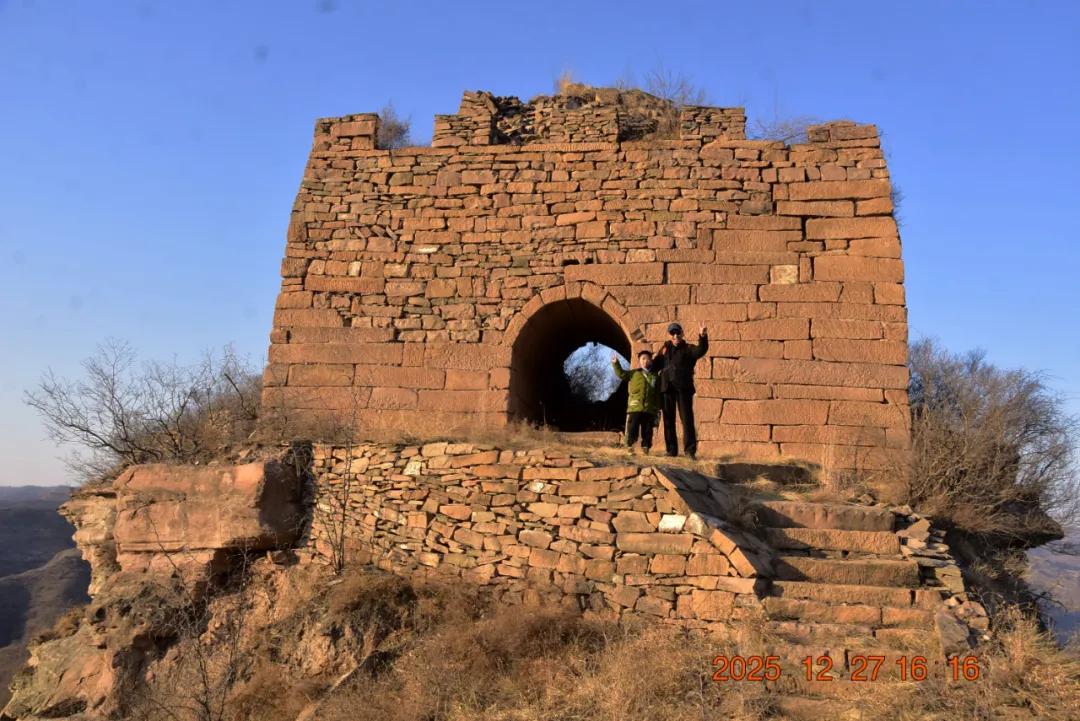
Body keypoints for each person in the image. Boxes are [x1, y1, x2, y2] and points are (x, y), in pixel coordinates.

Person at [655, 323, 708, 459]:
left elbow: (700, 350)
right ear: (669, 335)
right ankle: (671, 450)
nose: (675, 336)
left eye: (678, 333)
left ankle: (690, 451)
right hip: (667, 388)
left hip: (683, 389)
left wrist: (702, 336)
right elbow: (655, 365)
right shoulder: (664, 349)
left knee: (687, 419)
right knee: (668, 420)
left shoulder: (688, 348)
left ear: (682, 334)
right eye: (672, 333)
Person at [611, 350, 661, 454]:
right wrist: (616, 364)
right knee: (632, 427)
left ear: (651, 361)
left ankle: (646, 447)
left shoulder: (655, 376)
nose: (645, 361)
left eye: (647, 359)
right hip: (635, 406)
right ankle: (630, 446)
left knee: (647, 429)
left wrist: (657, 407)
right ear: (639, 361)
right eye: (643, 359)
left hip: (649, 407)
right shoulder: (634, 373)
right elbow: (621, 374)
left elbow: (657, 393)